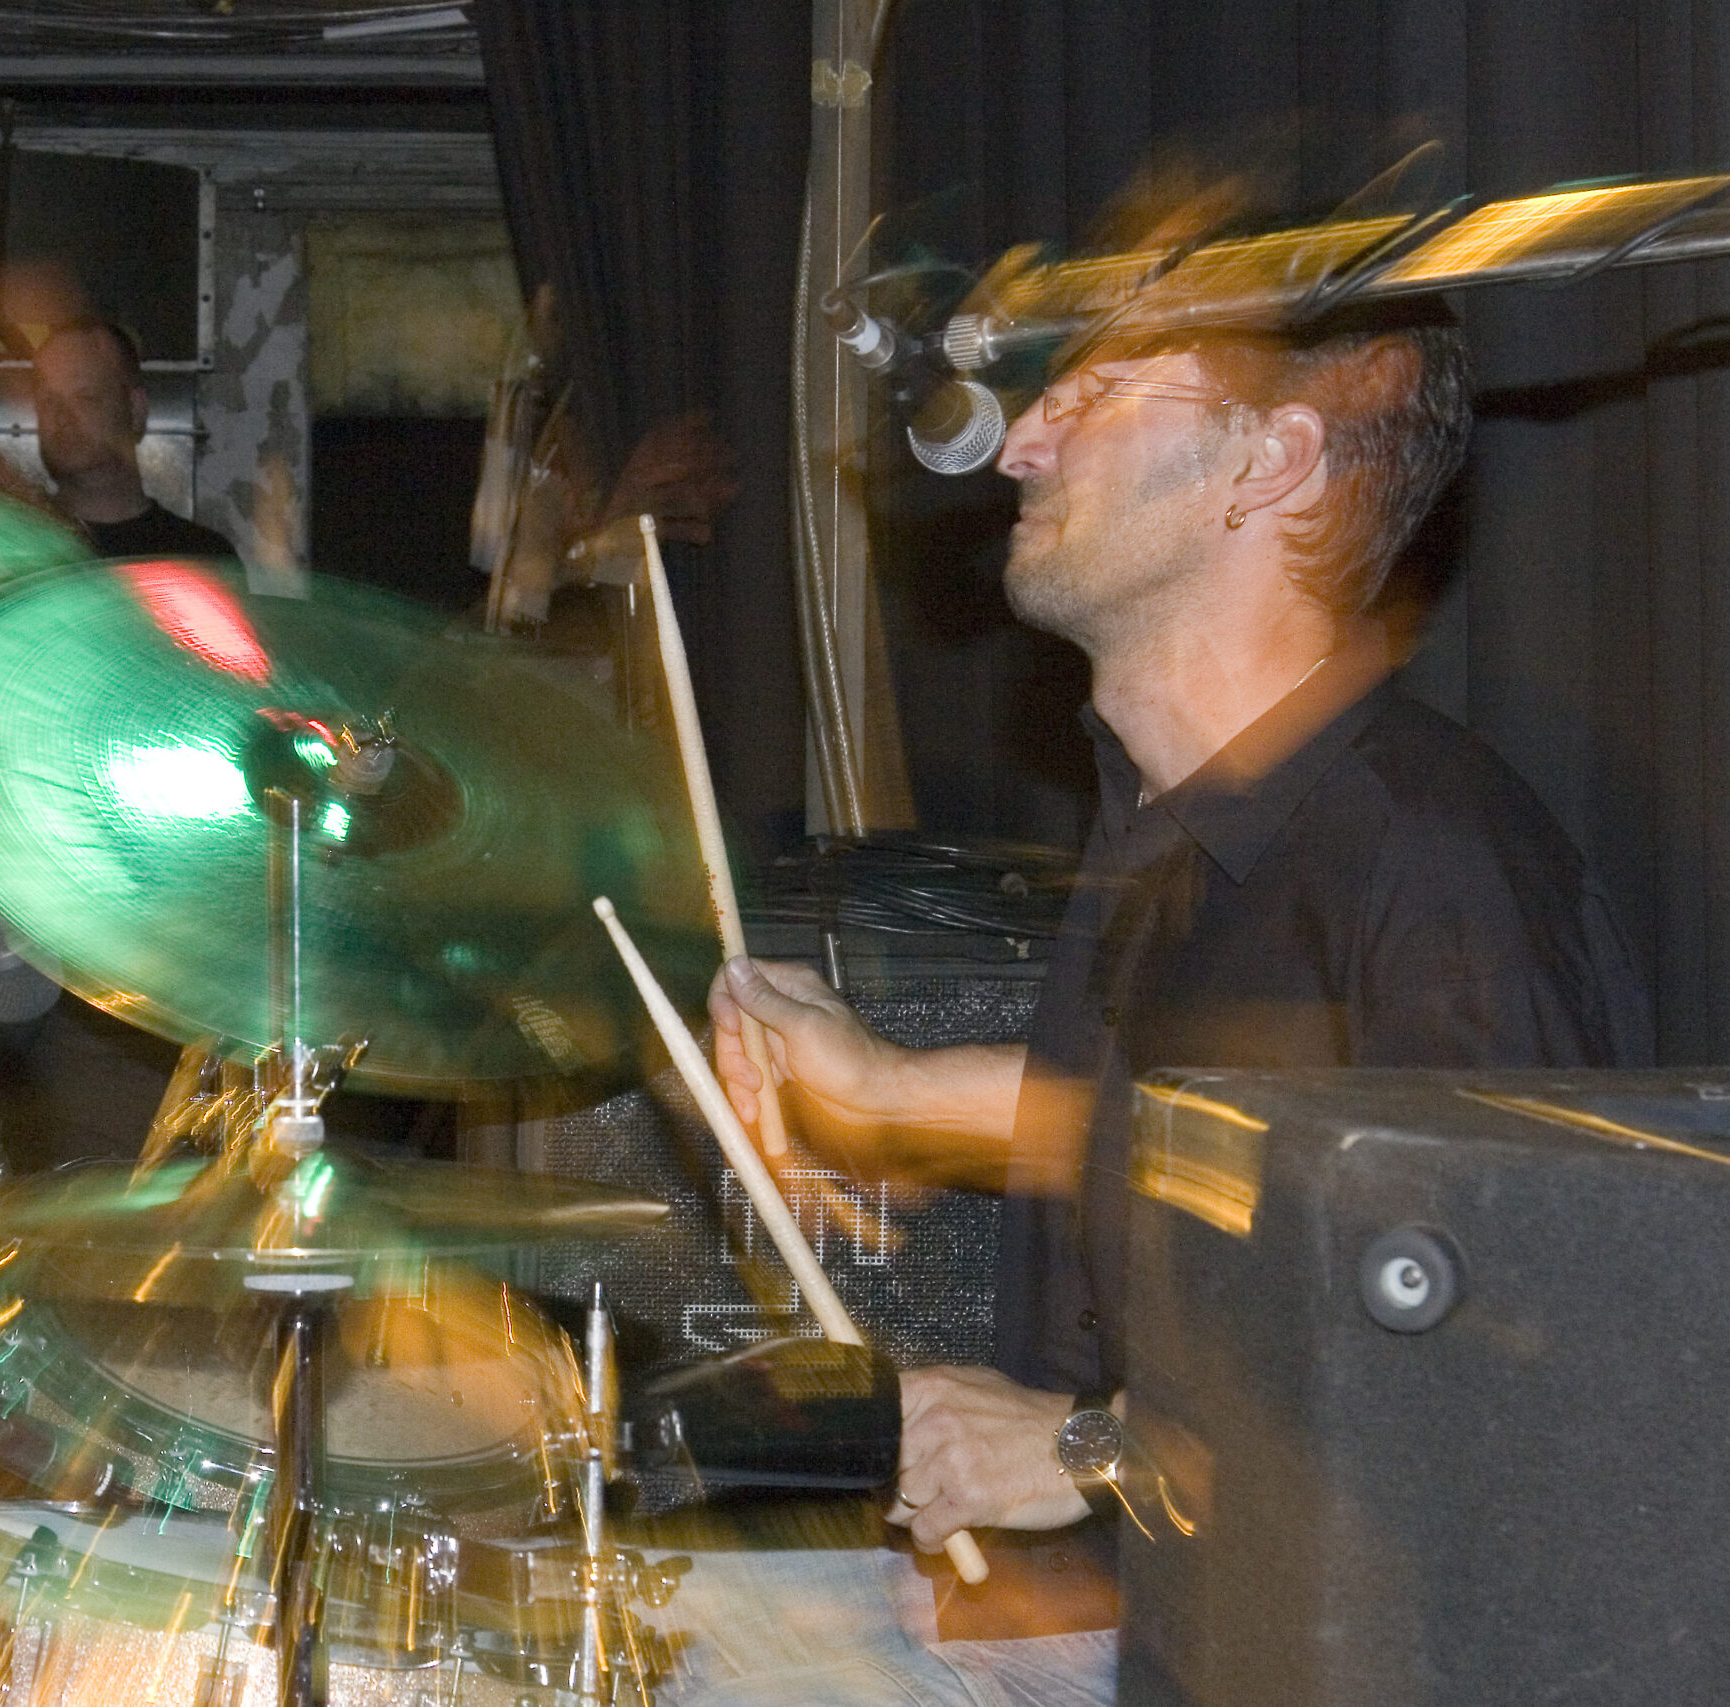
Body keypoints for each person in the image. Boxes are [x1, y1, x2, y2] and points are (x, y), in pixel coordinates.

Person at [698, 302, 1649, 1704]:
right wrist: (887, 1086)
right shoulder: (1177, 825)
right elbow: (1211, 1138)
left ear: (1272, 462)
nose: (1018, 444)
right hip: (1106, 1618)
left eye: (1095, 396)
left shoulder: (1441, 872)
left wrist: (1086, 1446)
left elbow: (1500, 1391)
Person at [28, 319, 237, 560]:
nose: (63, 416)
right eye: (49, 401)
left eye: (86, 398)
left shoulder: (201, 558)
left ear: (136, 409)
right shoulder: (14, 552)